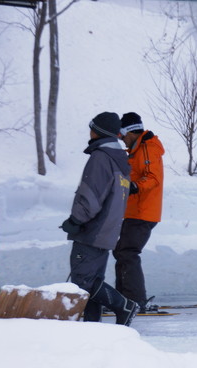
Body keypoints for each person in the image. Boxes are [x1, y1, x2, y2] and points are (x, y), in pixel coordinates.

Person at [61, 112, 139, 325]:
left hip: (92, 230)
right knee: (92, 281)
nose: (89, 131)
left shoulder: (101, 158)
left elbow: (91, 195)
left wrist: (76, 220)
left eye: (92, 128)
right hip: (107, 230)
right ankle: (92, 327)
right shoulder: (119, 160)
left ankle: (125, 306)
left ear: (99, 132)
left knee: (82, 282)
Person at [113, 112, 165, 311]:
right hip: (134, 211)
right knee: (122, 251)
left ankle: (134, 300)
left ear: (130, 132)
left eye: (122, 135)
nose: (122, 140)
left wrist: (134, 186)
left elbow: (153, 177)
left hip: (143, 212)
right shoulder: (136, 149)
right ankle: (122, 299)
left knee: (128, 252)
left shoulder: (148, 148)